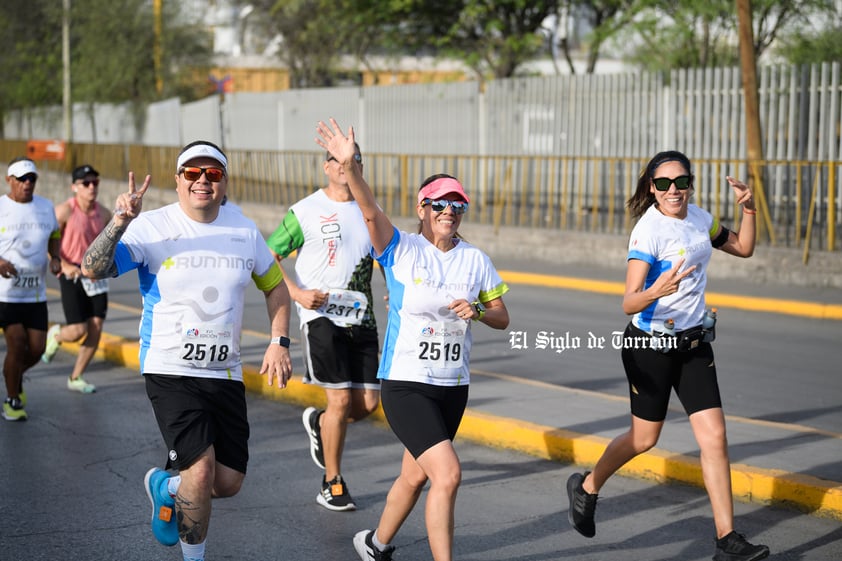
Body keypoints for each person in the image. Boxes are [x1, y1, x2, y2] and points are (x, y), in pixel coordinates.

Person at [81, 140, 293, 561]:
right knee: (201, 469)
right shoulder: (152, 226)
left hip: (226, 374)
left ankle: (166, 486)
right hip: (170, 368)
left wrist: (278, 341)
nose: (202, 181)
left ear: (223, 181)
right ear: (178, 181)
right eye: (192, 173)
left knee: (228, 482)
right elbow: (92, 267)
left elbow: (277, 289)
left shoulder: (243, 230)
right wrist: (120, 221)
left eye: (212, 174)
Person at [316, 118, 510, 561]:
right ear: (422, 208)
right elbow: (368, 212)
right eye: (438, 203)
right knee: (448, 475)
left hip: (452, 386)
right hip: (406, 383)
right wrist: (352, 170)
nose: (448, 211)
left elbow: (502, 317)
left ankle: (375, 544)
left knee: (415, 476)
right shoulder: (401, 248)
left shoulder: (476, 260)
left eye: (456, 204)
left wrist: (478, 310)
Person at [564, 150, 769, 561]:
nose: (673, 190)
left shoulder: (700, 219)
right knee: (644, 438)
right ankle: (586, 487)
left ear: (691, 184)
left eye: (681, 182)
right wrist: (655, 292)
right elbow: (628, 302)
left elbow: (744, 249)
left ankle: (727, 540)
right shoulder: (648, 232)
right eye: (663, 184)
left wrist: (749, 209)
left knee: (715, 438)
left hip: (693, 344)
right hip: (650, 347)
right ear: (652, 189)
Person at [265, 143, 380, 512]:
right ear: (326, 166)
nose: (347, 165)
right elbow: (267, 256)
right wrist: (296, 293)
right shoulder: (305, 211)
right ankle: (332, 481)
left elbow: (389, 254)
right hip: (321, 318)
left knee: (367, 404)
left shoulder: (370, 209)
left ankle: (320, 422)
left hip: (363, 318)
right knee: (341, 399)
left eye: (354, 159)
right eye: (340, 160)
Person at [41, 164, 112, 393]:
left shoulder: (104, 213)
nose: (92, 187)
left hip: (95, 277)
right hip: (71, 274)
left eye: (95, 182)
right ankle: (57, 335)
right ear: (74, 187)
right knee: (78, 329)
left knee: (96, 327)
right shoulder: (65, 211)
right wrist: (62, 264)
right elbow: (46, 242)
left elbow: (113, 242)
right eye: (86, 183)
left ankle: (76, 377)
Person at [1, 158, 62, 421]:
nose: (28, 183)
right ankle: (12, 399)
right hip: (6, 294)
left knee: (36, 348)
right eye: (22, 179)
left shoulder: (45, 206)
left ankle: (13, 376)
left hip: (35, 293)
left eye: (32, 179)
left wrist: (56, 257)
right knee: (16, 343)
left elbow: (54, 236)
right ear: (9, 180)